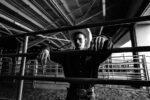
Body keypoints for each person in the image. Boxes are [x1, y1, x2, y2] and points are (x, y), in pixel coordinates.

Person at [39, 28, 113, 100]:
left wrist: (104, 39)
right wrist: (46, 49)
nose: (77, 42)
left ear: (85, 40)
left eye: (80, 39)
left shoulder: (93, 54)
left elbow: (107, 50)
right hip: (73, 93)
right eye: (75, 40)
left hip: (88, 94)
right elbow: (52, 52)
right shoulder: (67, 55)